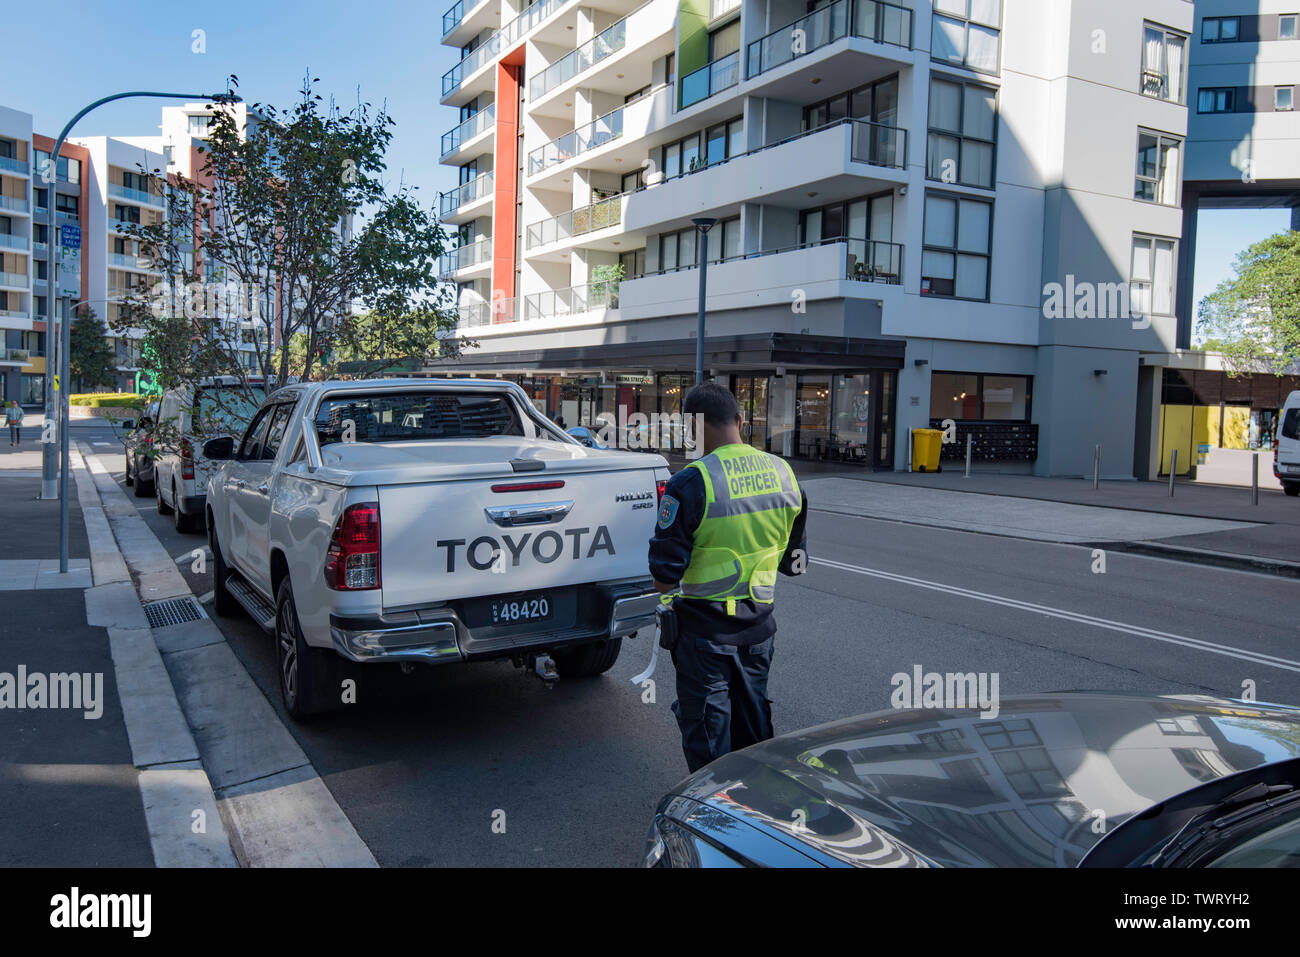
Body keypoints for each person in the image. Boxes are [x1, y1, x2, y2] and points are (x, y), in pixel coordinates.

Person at [648, 382, 809, 772]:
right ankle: (756, 815)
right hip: (758, 632)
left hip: (705, 638)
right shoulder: (784, 474)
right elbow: (794, 562)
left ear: (692, 426)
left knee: (707, 736)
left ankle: (711, 819)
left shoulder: (690, 481)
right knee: (753, 733)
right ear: (740, 420)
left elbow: (664, 577)